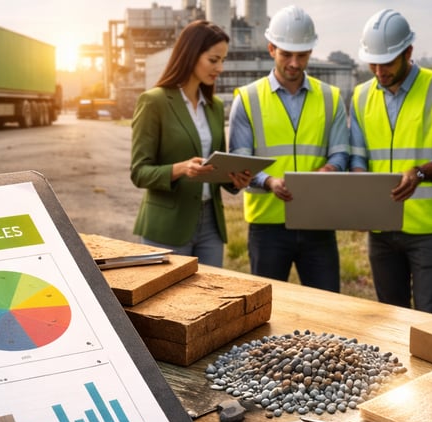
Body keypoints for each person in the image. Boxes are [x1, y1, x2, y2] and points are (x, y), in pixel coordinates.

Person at [350, 9, 432, 315]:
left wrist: (419, 172)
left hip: (431, 230)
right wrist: (360, 184)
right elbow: (359, 155)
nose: (378, 70)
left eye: (387, 62)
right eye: (372, 62)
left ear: (408, 52)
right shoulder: (361, 96)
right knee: (390, 315)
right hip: (381, 228)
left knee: (429, 317)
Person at [227, 5, 350, 291]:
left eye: (302, 54)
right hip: (267, 225)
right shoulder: (247, 99)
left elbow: (340, 153)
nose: (295, 63)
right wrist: (269, 181)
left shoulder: (331, 98)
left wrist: (329, 169)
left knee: (328, 307)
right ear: (271, 49)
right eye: (286, 54)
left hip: (318, 220)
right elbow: (240, 160)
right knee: (268, 310)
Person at [130, 20, 250, 267]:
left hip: (211, 225)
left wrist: (234, 179)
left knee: (211, 298)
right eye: (213, 60)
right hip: (167, 225)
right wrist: (181, 169)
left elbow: (214, 165)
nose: (220, 68)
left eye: (223, 60)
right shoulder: (154, 102)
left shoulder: (215, 107)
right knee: (165, 303)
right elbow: (139, 173)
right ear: (191, 55)